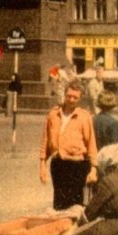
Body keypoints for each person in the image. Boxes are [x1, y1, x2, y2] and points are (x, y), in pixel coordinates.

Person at [40, 81, 98, 210]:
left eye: (75, 97)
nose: (71, 100)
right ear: (64, 95)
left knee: (75, 205)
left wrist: (94, 169)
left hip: (77, 166)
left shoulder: (84, 116)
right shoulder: (53, 114)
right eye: (69, 96)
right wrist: (42, 165)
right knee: (59, 203)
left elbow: (91, 144)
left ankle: (74, 230)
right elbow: (45, 141)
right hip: (58, 164)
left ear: (80, 98)